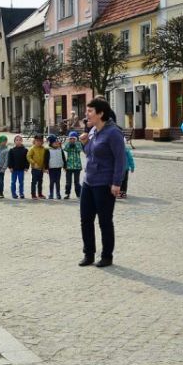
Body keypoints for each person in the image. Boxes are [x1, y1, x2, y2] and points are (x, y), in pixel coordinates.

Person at [78, 99, 126, 268]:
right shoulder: (93, 130)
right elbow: (90, 153)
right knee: (85, 220)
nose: (87, 114)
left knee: (104, 221)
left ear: (100, 113)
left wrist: (117, 183)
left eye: (90, 111)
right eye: (87, 111)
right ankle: (88, 254)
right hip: (89, 181)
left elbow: (120, 159)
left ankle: (107, 256)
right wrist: (85, 143)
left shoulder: (113, 133)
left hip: (104, 183)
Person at [7, 134, 29, 199]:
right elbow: (10, 159)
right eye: (17, 140)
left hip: (21, 169)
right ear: (14, 141)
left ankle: (21, 193)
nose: (18, 141)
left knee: (21, 182)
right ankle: (14, 193)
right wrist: (10, 167)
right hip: (14, 169)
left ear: (22, 141)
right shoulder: (12, 150)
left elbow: (27, 159)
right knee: (13, 182)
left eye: (20, 140)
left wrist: (26, 167)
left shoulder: (25, 150)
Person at [27, 134, 48, 199]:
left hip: (41, 168)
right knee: (34, 182)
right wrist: (33, 163)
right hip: (35, 168)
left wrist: (45, 168)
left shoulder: (44, 149)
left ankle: (40, 194)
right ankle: (33, 194)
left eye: (40, 141)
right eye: (37, 141)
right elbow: (28, 157)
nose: (39, 142)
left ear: (42, 142)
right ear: (34, 141)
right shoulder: (32, 149)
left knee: (40, 182)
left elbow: (45, 159)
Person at [63, 132, 83, 199]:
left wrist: (75, 144)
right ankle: (67, 194)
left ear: (76, 139)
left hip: (77, 166)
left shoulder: (78, 144)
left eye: (73, 138)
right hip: (69, 166)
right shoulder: (68, 144)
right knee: (68, 182)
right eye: (71, 138)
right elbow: (65, 149)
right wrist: (69, 143)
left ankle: (78, 194)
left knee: (77, 182)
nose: (72, 140)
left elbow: (79, 149)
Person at [46, 134, 64, 200]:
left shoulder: (60, 150)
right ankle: (51, 194)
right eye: (54, 142)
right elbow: (46, 160)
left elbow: (63, 158)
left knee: (57, 181)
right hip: (51, 168)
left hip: (58, 168)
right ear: (51, 143)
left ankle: (58, 194)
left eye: (57, 142)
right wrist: (46, 168)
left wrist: (65, 166)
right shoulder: (48, 150)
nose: (56, 143)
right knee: (52, 181)